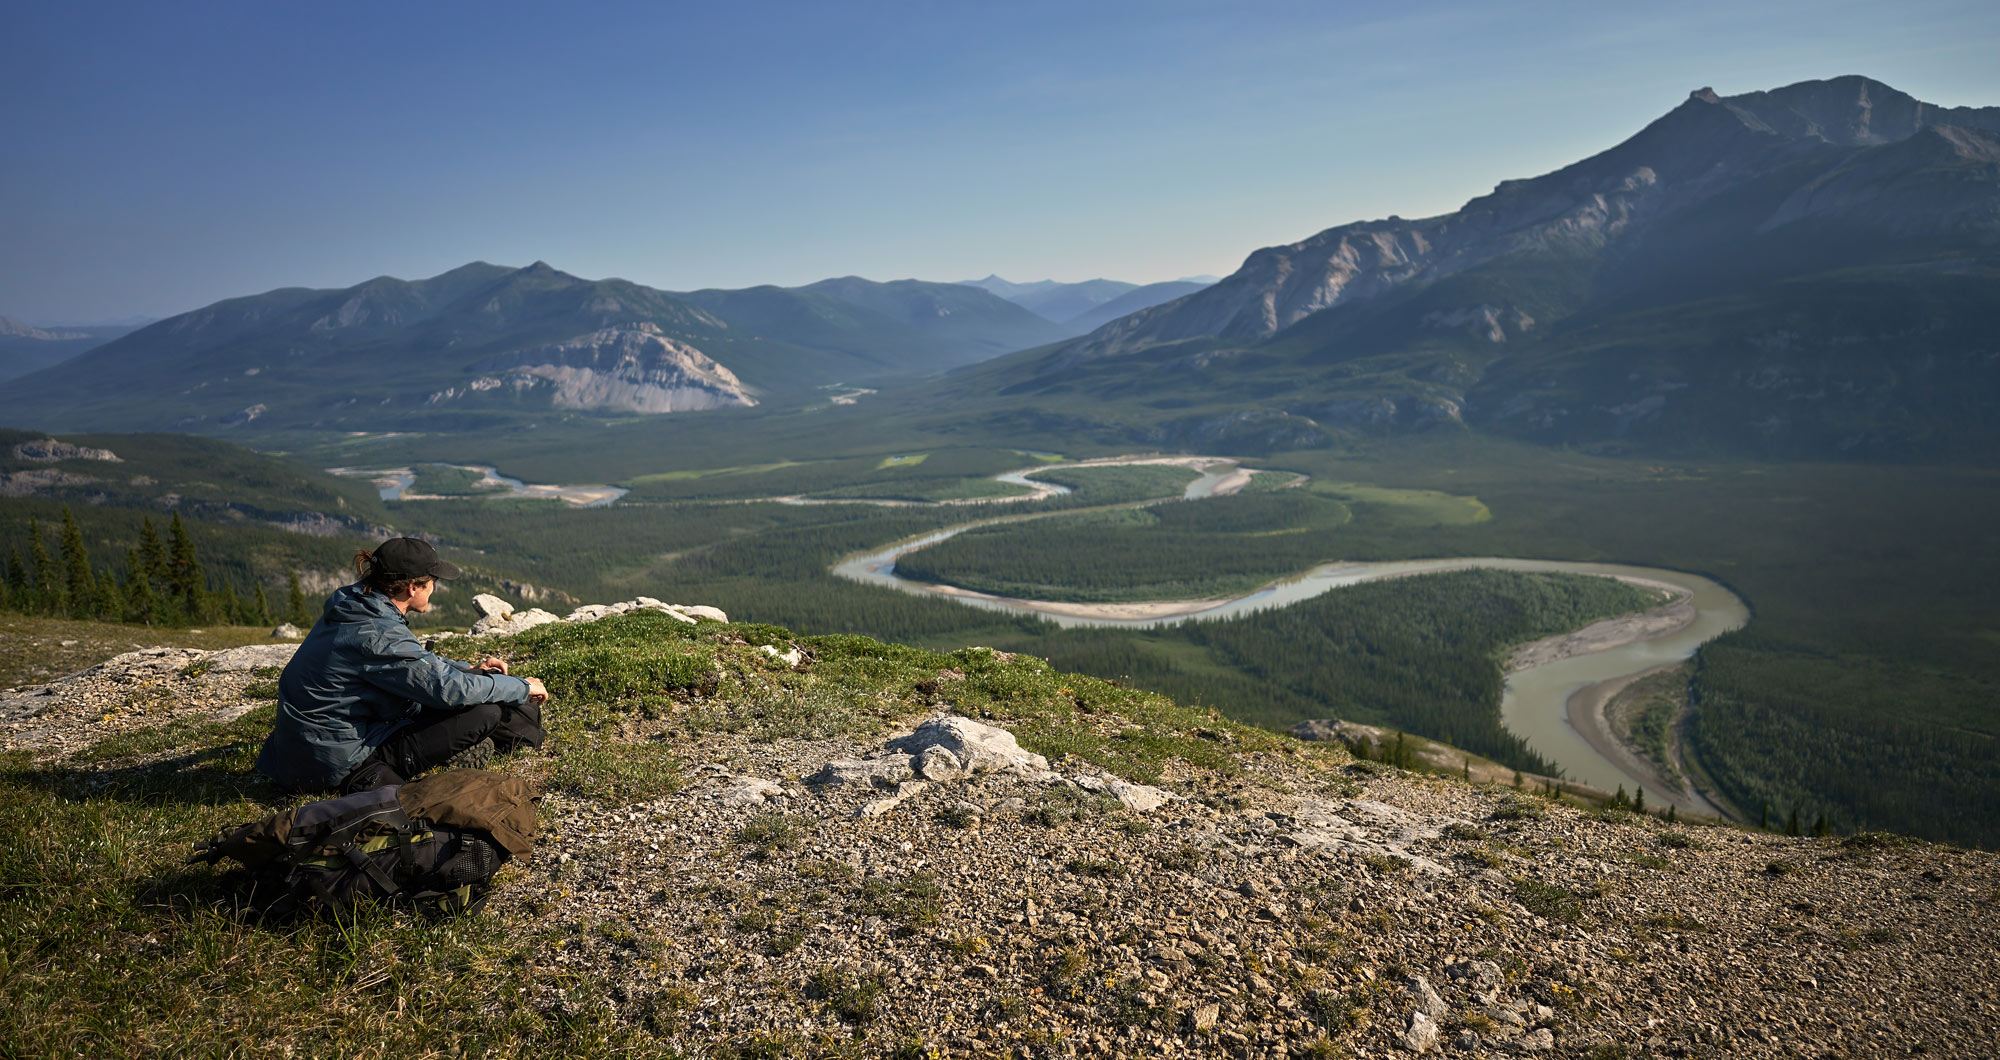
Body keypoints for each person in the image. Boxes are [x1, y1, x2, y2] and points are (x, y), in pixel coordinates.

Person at [256, 537, 549, 793]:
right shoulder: (378, 633)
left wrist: (469, 670)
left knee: (475, 695)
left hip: (303, 750)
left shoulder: (356, 604)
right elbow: (446, 690)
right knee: (485, 711)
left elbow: (415, 665)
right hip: (334, 763)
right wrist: (522, 687)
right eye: (433, 582)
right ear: (412, 588)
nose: (434, 588)